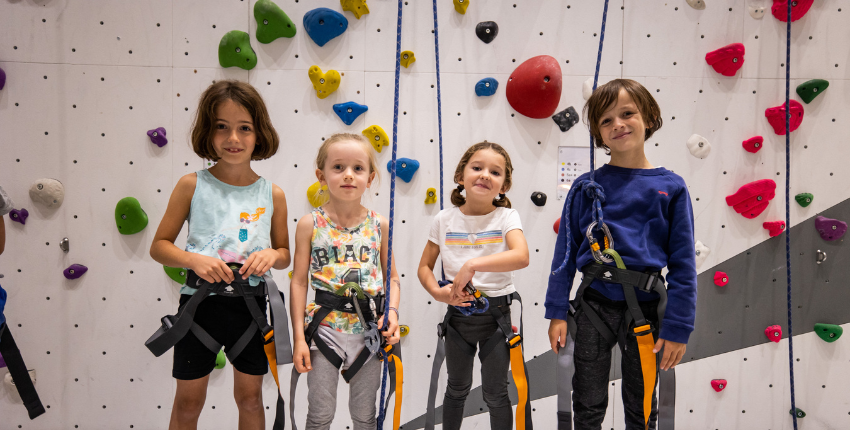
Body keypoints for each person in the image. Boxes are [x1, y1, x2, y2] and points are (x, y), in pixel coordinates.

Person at [546, 78, 697, 430]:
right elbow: (564, 254)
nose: (618, 124)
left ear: (649, 118)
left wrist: (678, 327)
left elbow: (683, 265)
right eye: (606, 120)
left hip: (645, 309)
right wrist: (556, 311)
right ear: (598, 133)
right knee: (587, 405)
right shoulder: (585, 187)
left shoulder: (671, 187)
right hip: (593, 305)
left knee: (642, 408)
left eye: (627, 114)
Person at [149, 80, 291, 430]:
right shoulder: (191, 185)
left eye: (245, 128)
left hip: (251, 310)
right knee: (187, 403)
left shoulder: (272, 194)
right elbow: (160, 246)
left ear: (259, 133)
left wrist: (271, 256)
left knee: (251, 400)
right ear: (208, 132)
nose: (233, 138)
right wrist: (194, 260)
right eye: (222, 127)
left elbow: (284, 253)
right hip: (199, 309)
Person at [289, 133, 401, 430]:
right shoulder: (310, 224)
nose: (348, 175)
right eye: (338, 167)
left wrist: (392, 313)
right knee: (320, 414)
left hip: (368, 332)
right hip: (324, 331)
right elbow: (298, 282)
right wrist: (299, 338)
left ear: (370, 178)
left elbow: (392, 278)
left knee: (365, 416)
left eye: (358, 168)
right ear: (321, 176)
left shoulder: (380, 225)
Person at [418, 141, 531, 430]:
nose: (484, 175)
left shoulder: (507, 217)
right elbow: (424, 268)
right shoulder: (444, 219)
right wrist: (438, 293)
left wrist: (472, 265)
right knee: (456, 390)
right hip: (458, 318)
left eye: (495, 172)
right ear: (461, 176)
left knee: (496, 393)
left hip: (496, 319)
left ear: (504, 186)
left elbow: (521, 256)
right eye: (477, 167)